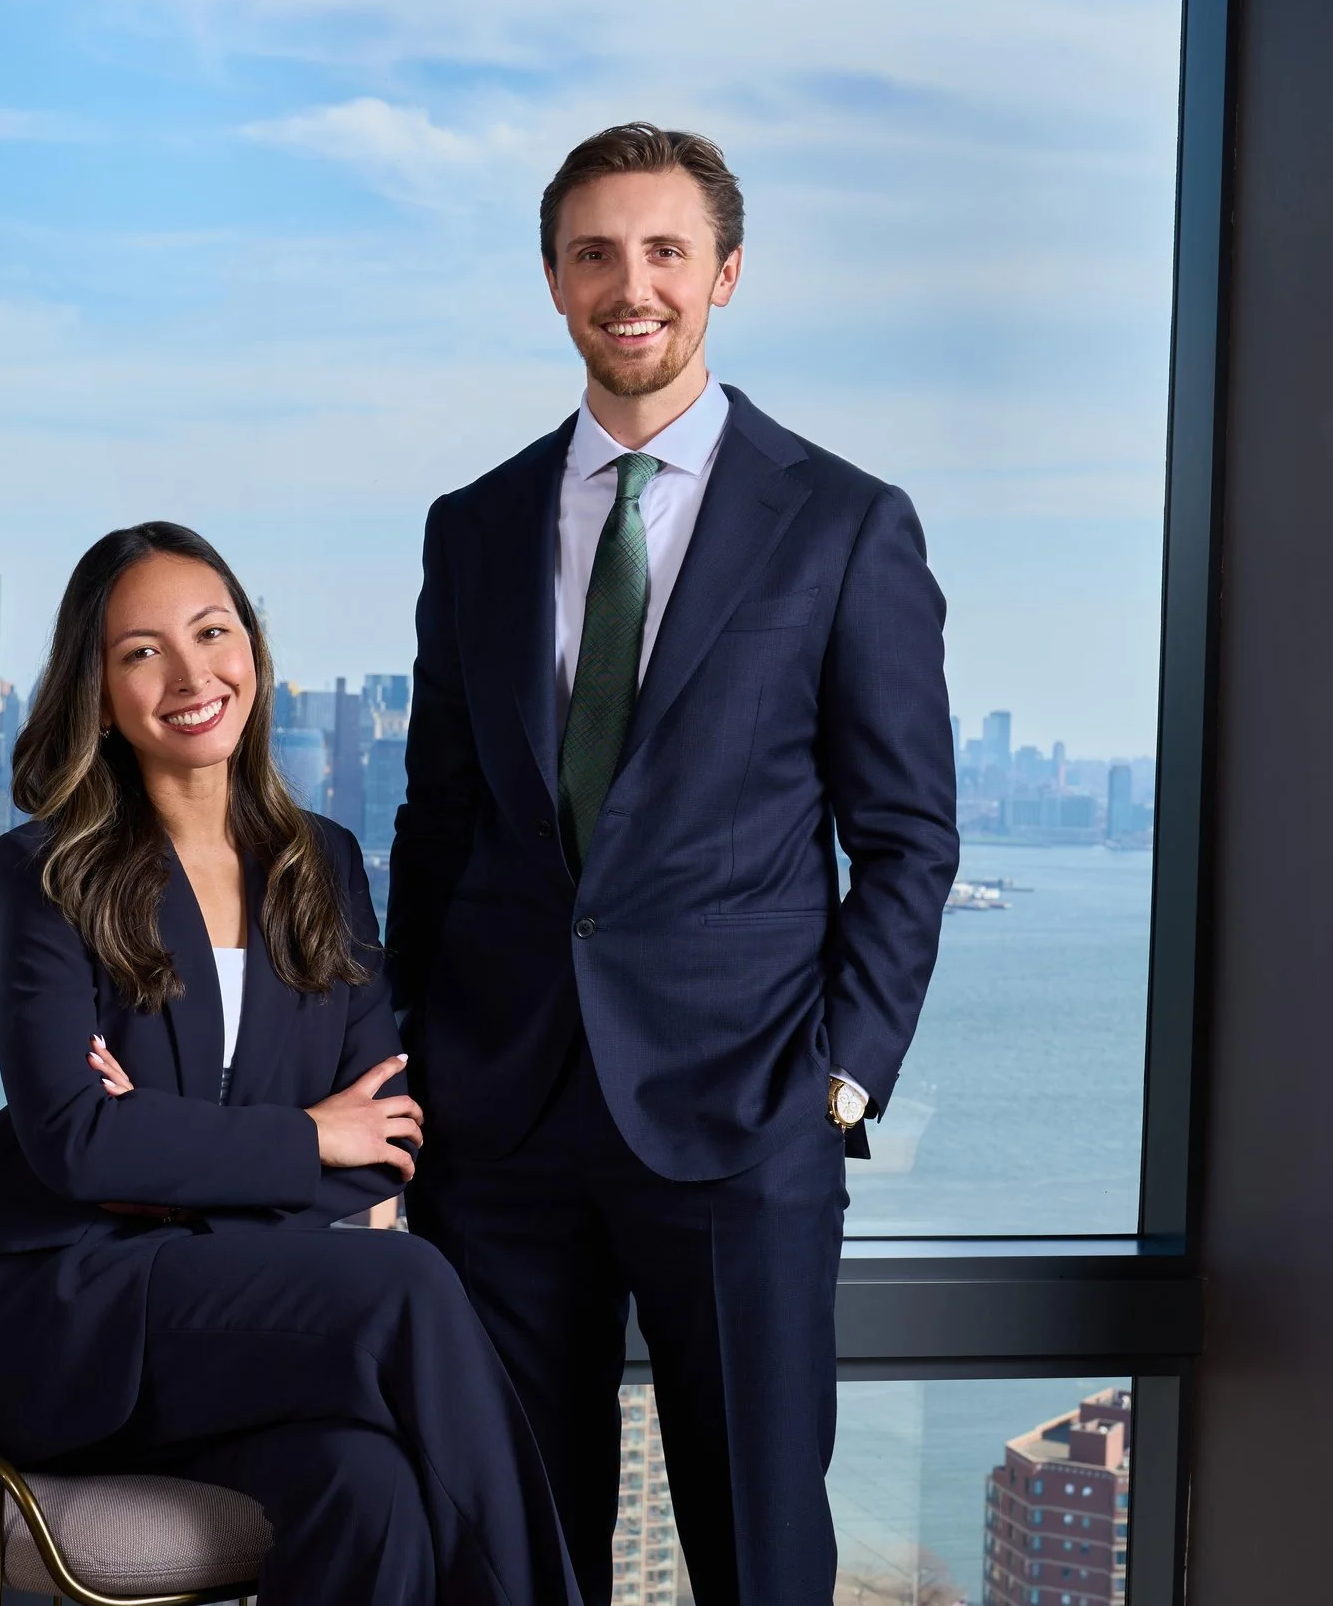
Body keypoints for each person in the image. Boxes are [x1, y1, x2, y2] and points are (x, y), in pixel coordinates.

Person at [388, 124, 959, 1606]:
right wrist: (412, 1067)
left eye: (662, 251)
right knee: (519, 1546)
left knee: (760, 1548)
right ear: (553, 281)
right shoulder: (476, 527)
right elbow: (437, 820)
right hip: (499, 1125)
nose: (627, 284)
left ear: (725, 273)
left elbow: (905, 835)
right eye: (593, 252)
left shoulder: (842, 523)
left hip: (744, 1115)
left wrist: (839, 1076)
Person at [0, 521, 580, 1606]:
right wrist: (305, 1135)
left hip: (233, 1328)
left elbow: (388, 1146)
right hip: (69, 1318)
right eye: (140, 652)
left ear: (254, 653)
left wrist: (174, 1154)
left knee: (364, 1487)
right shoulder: (48, 871)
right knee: (408, 1283)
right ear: (95, 693)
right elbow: (79, 1144)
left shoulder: (321, 863)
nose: (190, 675)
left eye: (212, 632)